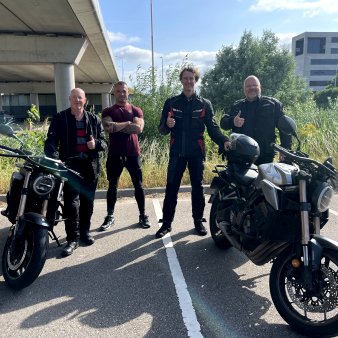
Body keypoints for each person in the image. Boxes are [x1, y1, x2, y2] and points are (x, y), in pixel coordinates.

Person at [156, 65, 230, 239]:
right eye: (185, 78)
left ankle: (198, 221)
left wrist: (224, 140)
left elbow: (212, 129)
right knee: (171, 188)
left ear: (195, 80)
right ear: (181, 80)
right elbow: (161, 130)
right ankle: (166, 224)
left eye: (192, 78)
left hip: (197, 153)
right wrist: (167, 124)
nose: (188, 81)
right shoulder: (171, 102)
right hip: (177, 153)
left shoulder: (204, 104)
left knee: (197, 188)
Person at [44, 88, 107, 257]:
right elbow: (50, 143)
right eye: (74, 98)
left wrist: (97, 144)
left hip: (90, 165)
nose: (77, 101)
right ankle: (72, 238)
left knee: (88, 201)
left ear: (85, 100)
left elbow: (104, 142)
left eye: (80, 98)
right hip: (70, 166)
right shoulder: (60, 118)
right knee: (72, 203)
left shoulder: (94, 119)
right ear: (69, 99)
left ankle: (85, 232)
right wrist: (55, 158)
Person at [99, 81, 151, 231]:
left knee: (138, 186)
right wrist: (128, 123)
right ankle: (110, 216)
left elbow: (138, 128)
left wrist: (118, 126)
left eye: (124, 91)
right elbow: (109, 127)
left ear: (128, 93)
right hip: (115, 154)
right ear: (114, 93)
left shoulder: (136, 110)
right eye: (119, 91)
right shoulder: (108, 111)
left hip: (133, 154)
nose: (122, 94)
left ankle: (142, 215)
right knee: (112, 186)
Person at [220, 75, 292, 165]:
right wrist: (232, 121)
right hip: (239, 155)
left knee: (262, 179)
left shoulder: (273, 104)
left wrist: (285, 149)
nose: (252, 88)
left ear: (260, 87)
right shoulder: (237, 105)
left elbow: (285, 128)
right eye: (248, 86)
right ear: (244, 89)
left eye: (255, 85)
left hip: (264, 156)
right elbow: (223, 123)